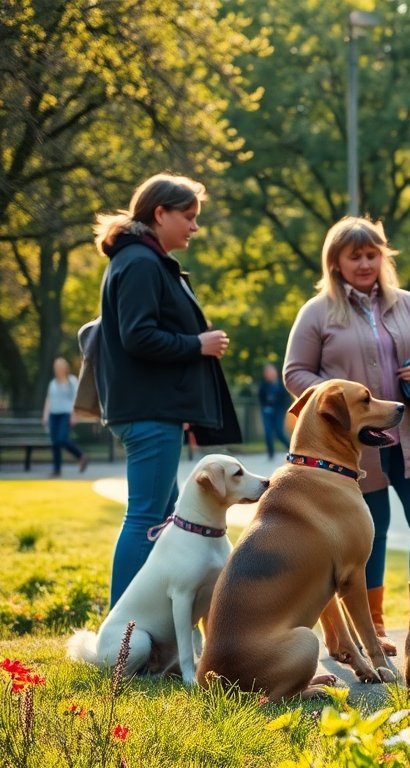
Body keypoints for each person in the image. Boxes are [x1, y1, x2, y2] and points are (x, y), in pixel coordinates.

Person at [284, 216, 410, 655]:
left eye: (372, 254)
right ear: (335, 262)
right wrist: (334, 399)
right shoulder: (318, 312)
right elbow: (295, 372)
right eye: (354, 255)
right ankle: (373, 625)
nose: (365, 263)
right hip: (354, 447)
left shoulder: (408, 305)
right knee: (370, 531)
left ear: (383, 257)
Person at [94, 173, 241, 608]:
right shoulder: (139, 262)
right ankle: (121, 637)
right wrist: (198, 344)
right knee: (146, 517)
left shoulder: (141, 259)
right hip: (148, 412)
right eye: (189, 217)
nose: (195, 227)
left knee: (164, 519)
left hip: (152, 410)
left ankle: (147, 625)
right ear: (160, 213)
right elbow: (137, 335)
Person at [41, 357, 89, 477]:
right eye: (56, 367)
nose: (58, 369)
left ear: (65, 368)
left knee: (62, 439)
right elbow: (48, 399)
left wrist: (74, 415)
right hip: (53, 415)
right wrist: (45, 415)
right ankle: (57, 470)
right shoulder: (52, 383)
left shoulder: (72, 381)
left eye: (60, 367)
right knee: (55, 443)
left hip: (65, 414)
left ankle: (80, 455)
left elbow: (77, 399)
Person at [256, 362, 289, 460]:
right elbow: (260, 398)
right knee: (268, 432)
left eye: (271, 371)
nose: (269, 373)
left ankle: (292, 448)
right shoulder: (263, 385)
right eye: (267, 371)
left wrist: (282, 408)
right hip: (267, 411)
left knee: (279, 432)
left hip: (279, 411)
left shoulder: (282, 384)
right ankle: (271, 454)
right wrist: (265, 407)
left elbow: (287, 398)